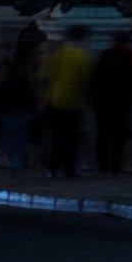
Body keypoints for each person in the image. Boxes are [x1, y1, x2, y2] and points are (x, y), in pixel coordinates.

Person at [36, 26, 94, 174]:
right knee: (70, 137)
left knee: (56, 135)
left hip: (54, 100)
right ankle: (69, 167)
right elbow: (86, 80)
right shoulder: (82, 56)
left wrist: (44, 98)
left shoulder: (58, 54)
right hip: (72, 102)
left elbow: (44, 77)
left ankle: (53, 166)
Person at [84, 31, 132, 172]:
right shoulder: (130, 56)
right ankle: (116, 165)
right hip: (122, 99)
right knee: (118, 134)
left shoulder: (106, 55)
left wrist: (90, 94)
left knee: (103, 133)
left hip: (104, 99)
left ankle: (102, 164)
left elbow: (95, 76)